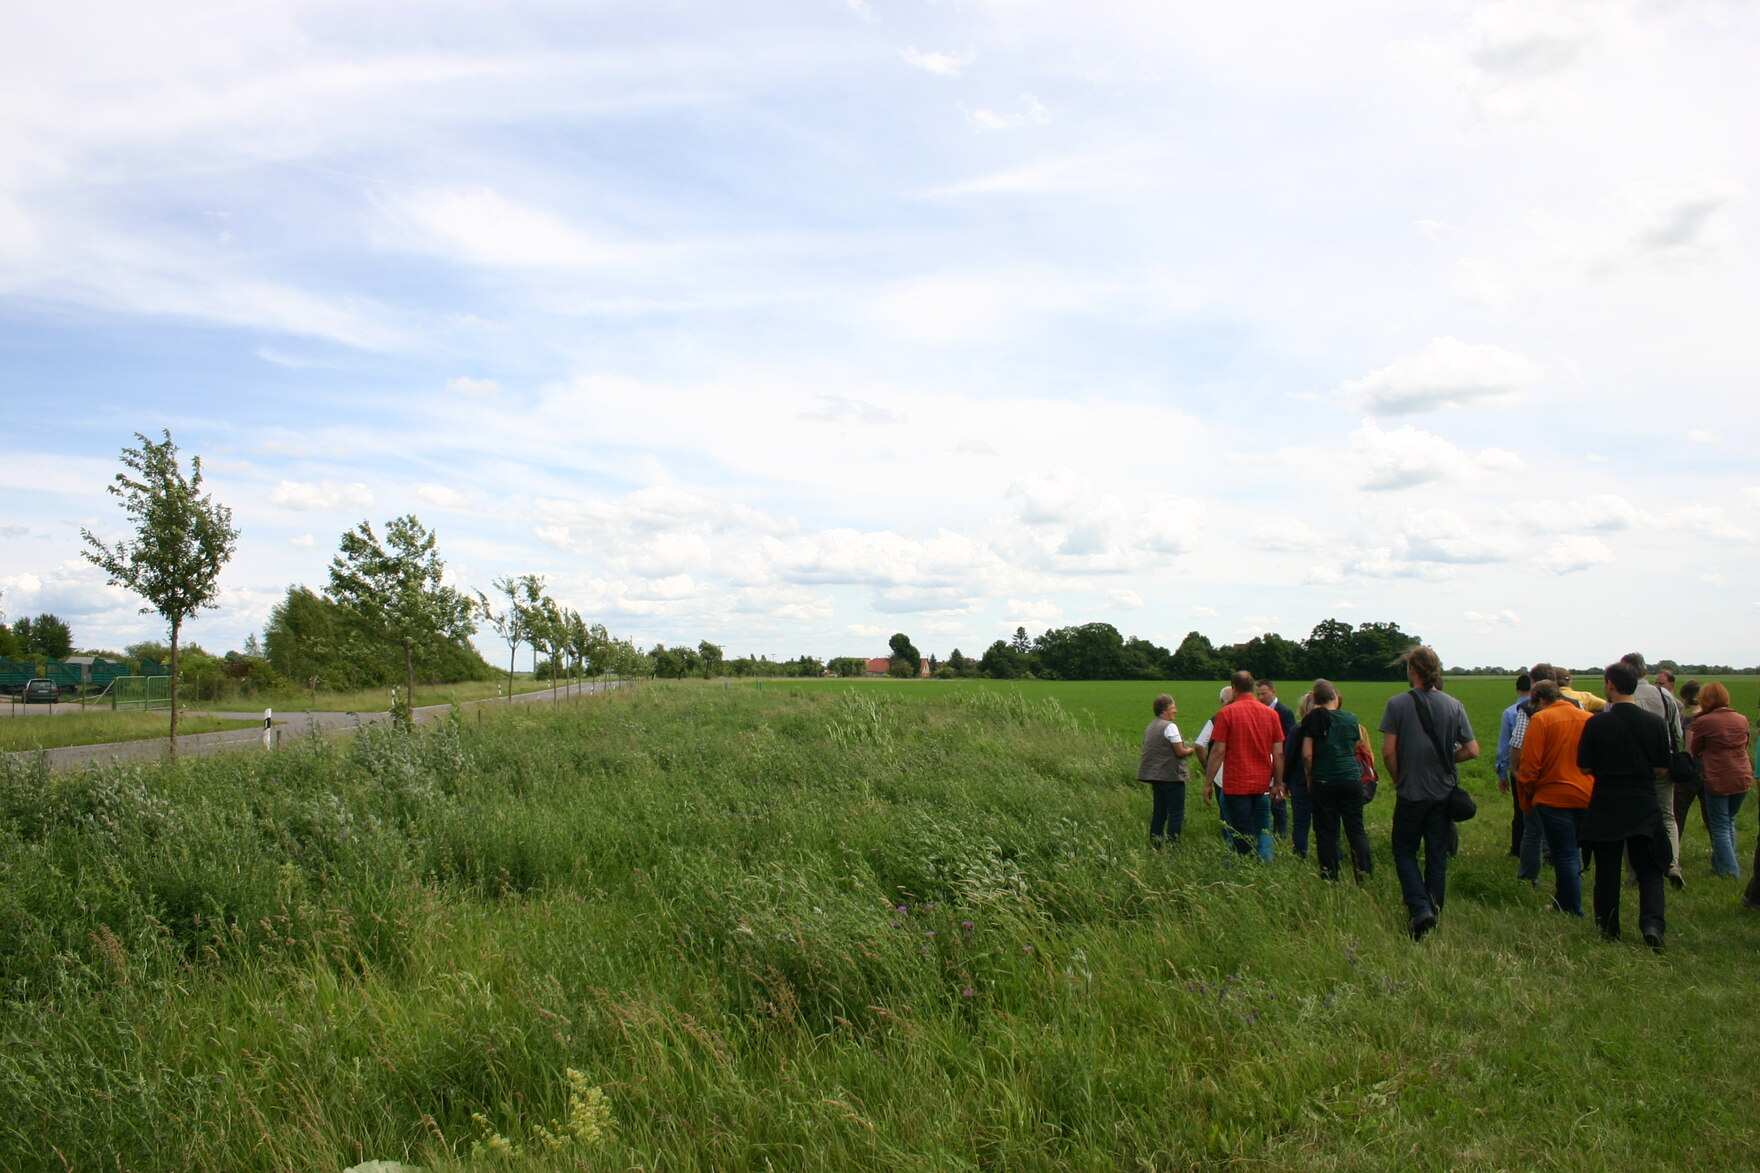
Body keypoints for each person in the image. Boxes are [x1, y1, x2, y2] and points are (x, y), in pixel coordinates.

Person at [1380, 646, 1480, 939]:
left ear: (1412, 670)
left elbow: (1388, 753)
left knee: (1404, 850)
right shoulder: (1453, 704)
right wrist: (1449, 760)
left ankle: (1419, 908)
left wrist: (1400, 779)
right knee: (1437, 853)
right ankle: (1434, 910)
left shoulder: (1397, 704)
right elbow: (1472, 749)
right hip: (1443, 793)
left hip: (1411, 792)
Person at [1577, 661, 1671, 949]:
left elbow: (1584, 768)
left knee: (1607, 870)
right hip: (1643, 802)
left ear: (1611, 686)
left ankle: (1608, 929)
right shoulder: (1654, 723)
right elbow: (1661, 769)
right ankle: (1652, 924)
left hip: (1607, 802)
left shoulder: (1597, 723)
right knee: (1650, 869)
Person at [1514, 680, 1594, 917]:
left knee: (1564, 853)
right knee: (1574, 850)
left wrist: (1527, 794)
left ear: (1540, 700)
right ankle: (1566, 898)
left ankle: (1571, 907)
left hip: (1553, 796)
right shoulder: (1587, 718)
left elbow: (1530, 766)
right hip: (1586, 793)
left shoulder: (1541, 720)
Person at [1203, 670, 1287, 862]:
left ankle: (1241, 869)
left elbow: (1218, 751)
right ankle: (1266, 867)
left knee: (1239, 833)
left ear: (1233, 688)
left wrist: (1208, 782)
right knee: (1263, 830)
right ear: (1252, 687)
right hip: (1262, 786)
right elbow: (1279, 753)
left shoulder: (1226, 713)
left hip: (1235, 786)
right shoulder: (1271, 714)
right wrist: (1278, 783)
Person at [1621, 652, 1685, 887]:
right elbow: (1677, 731)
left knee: (1631, 819)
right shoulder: (1663, 693)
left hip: (1631, 767)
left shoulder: (1620, 695)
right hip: (1663, 763)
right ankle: (1672, 865)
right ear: (1645, 671)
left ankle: (1634, 874)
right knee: (1667, 816)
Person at [1301, 679, 1373, 882]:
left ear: (1315, 698)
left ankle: (1330, 876)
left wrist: (1310, 775)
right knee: (1356, 829)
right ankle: (1364, 875)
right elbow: (1356, 746)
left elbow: (1307, 755)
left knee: (1326, 831)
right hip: (1351, 779)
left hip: (1325, 779)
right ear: (1335, 696)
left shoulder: (1313, 720)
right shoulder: (1350, 718)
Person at [1685, 682, 1752, 879]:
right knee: (1729, 820)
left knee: (1720, 824)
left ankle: (1730, 871)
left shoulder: (1705, 722)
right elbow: (1745, 743)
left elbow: (1695, 750)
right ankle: (1719, 863)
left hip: (1718, 777)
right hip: (1742, 774)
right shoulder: (1741, 719)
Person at [1138, 693, 1198, 845]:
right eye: (1173, 708)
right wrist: (1191, 750)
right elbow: (1179, 751)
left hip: (1155, 776)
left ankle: (1155, 843)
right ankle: (1173, 846)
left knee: (1159, 812)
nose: (1175, 711)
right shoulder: (1170, 727)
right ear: (1164, 710)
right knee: (1176, 814)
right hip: (1172, 776)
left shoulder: (1151, 726)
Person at [1496, 674, 1533, 858]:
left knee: (1520, 811)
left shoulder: (1511, 712)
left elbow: (1504, 747)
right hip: (1543, 767)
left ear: (1517, 689)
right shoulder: (1545, 708)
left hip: (1519, 766)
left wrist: (1502, 775)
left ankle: (1517, 849)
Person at [1256, 679, 1297, 837]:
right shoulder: (1260, 710)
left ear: (1273, 692)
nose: (1261, 697)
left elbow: (1288, 741)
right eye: (1259, 694)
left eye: (1264, 694)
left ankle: (1282, 833)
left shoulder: (1284, 712)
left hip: (1279, 761)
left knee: (1278, 800)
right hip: (1265, 760)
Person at [1672, 680, 1710, 836]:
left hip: (1694, 770)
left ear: (1687, 698)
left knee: (1677, 814)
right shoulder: (1710, 716)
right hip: (1710, 770)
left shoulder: (1691, 719)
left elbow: (1690, 749)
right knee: (1711, 816)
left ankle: (1674, 852)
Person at [1283, 691, 1315, 859]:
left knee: (1301, 822)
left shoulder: (1298, 729)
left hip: (1300, 781)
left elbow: (1289, 757)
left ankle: (1300, 854)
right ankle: (1333, 854)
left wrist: (1285, 782)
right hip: (1324, 780)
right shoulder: (1329, 725)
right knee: (1328, 821)